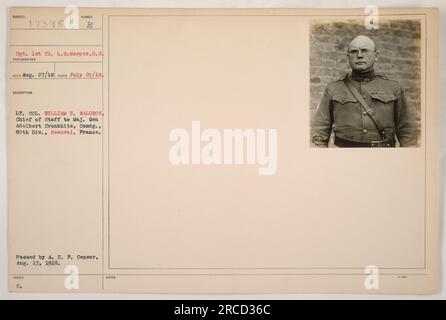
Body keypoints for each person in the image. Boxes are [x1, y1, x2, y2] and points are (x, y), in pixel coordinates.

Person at [311, 35, 417, 147]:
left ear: (376, 56)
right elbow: (320, 129)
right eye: (354, 52)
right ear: (348, 56)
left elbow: (407, 131)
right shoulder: (333, 89)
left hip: (383, 156)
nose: (359, 55)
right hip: (345, 156)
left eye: (364, 51)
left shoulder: (394, 88)